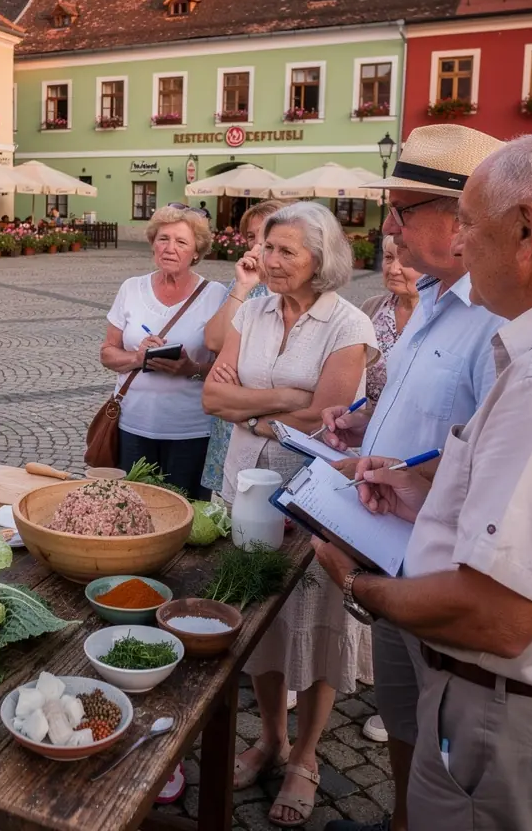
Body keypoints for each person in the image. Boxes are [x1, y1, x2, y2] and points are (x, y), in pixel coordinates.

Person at [314, 132, 532, 831]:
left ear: (528, 229)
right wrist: (422, 488)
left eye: (472, 225)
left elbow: (497, 617)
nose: (467, 248)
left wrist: (354, 583)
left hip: (513, 720)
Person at [319, 125, 506, 831]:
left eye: (403, 210)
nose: (388, 227)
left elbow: (493, 457)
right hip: (392, 545)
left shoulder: (496, 321)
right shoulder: (433, 296)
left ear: (462, 223)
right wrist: (364, 419)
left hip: (439, 572)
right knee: (401, 712)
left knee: (441, 727)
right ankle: (401, 816)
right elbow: (412, 395)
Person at [202, 201, 378, 827]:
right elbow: (211, 395)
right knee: (258, 623)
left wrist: (248, 409)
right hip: (246, 486)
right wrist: (279, 401)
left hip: (312, 495)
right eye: (267, 248)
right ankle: (272, 736)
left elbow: (327, 416)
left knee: (316, 614)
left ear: (320, 260)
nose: (270, 261)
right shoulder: (251, 310)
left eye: (286, 252)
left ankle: (307, 754)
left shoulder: (347, 324)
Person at [100, 204, 226, 496]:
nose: (170, 248)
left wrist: (190, 369)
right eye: (163, 239)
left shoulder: (216, 295)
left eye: (181, 241)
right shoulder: (131, 288)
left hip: (191, 430)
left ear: (197, 251)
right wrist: (137, 358)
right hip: (132, 425)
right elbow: (107, 352)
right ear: (152, 244)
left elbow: (228, 368)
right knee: (134, 512)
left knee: (186, 516)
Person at [200, 200, 289, 497]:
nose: (257, 243)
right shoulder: (244, 286)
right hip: (232, 421)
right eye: (251, 236)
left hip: (273, 424)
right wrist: (241, 287)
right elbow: (213, 342)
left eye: (265, 235)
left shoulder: (296, 289)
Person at [358, 235, 421, 404]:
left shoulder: (437, 316)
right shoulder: (371, 308)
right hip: (360, 420)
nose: (393, 269)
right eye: (388, 257)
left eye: (406, 260)